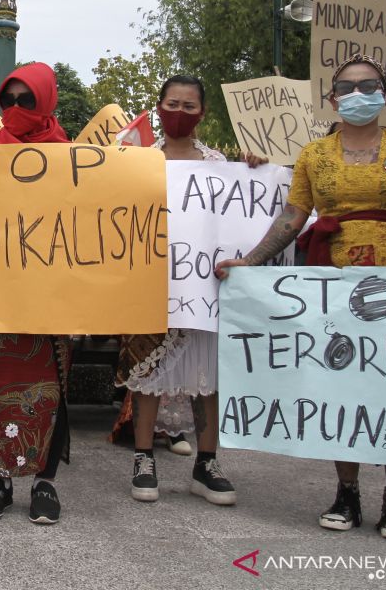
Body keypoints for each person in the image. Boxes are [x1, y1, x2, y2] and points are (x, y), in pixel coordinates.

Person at [216, 55, 386, 542]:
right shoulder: (314, 154)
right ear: (331, 99)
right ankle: (346, 491)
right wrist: (250, 260)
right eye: (346, 88)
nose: (357, 94)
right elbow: (293, 217)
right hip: (334, 279)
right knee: (343, 384)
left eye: (367, 85)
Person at [116, 75, 258, 508]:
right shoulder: (135, 160)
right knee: (145, 374)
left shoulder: (219, 166)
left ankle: (207, 462)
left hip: (203, 286)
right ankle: (143, 459)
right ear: (158, 107)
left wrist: (255, 170)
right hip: (148, 283)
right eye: (171, 104)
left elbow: (241, 219)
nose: (179, 113)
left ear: (203, 113)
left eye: (189, 106)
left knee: (208, 377)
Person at [0, 63, 71, 526]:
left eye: (26, 98)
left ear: (46, 100)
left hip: (53, 294)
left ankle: (45, 481)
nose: (15, 108)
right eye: (8, 98)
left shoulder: (71, 155)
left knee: (54, 385)